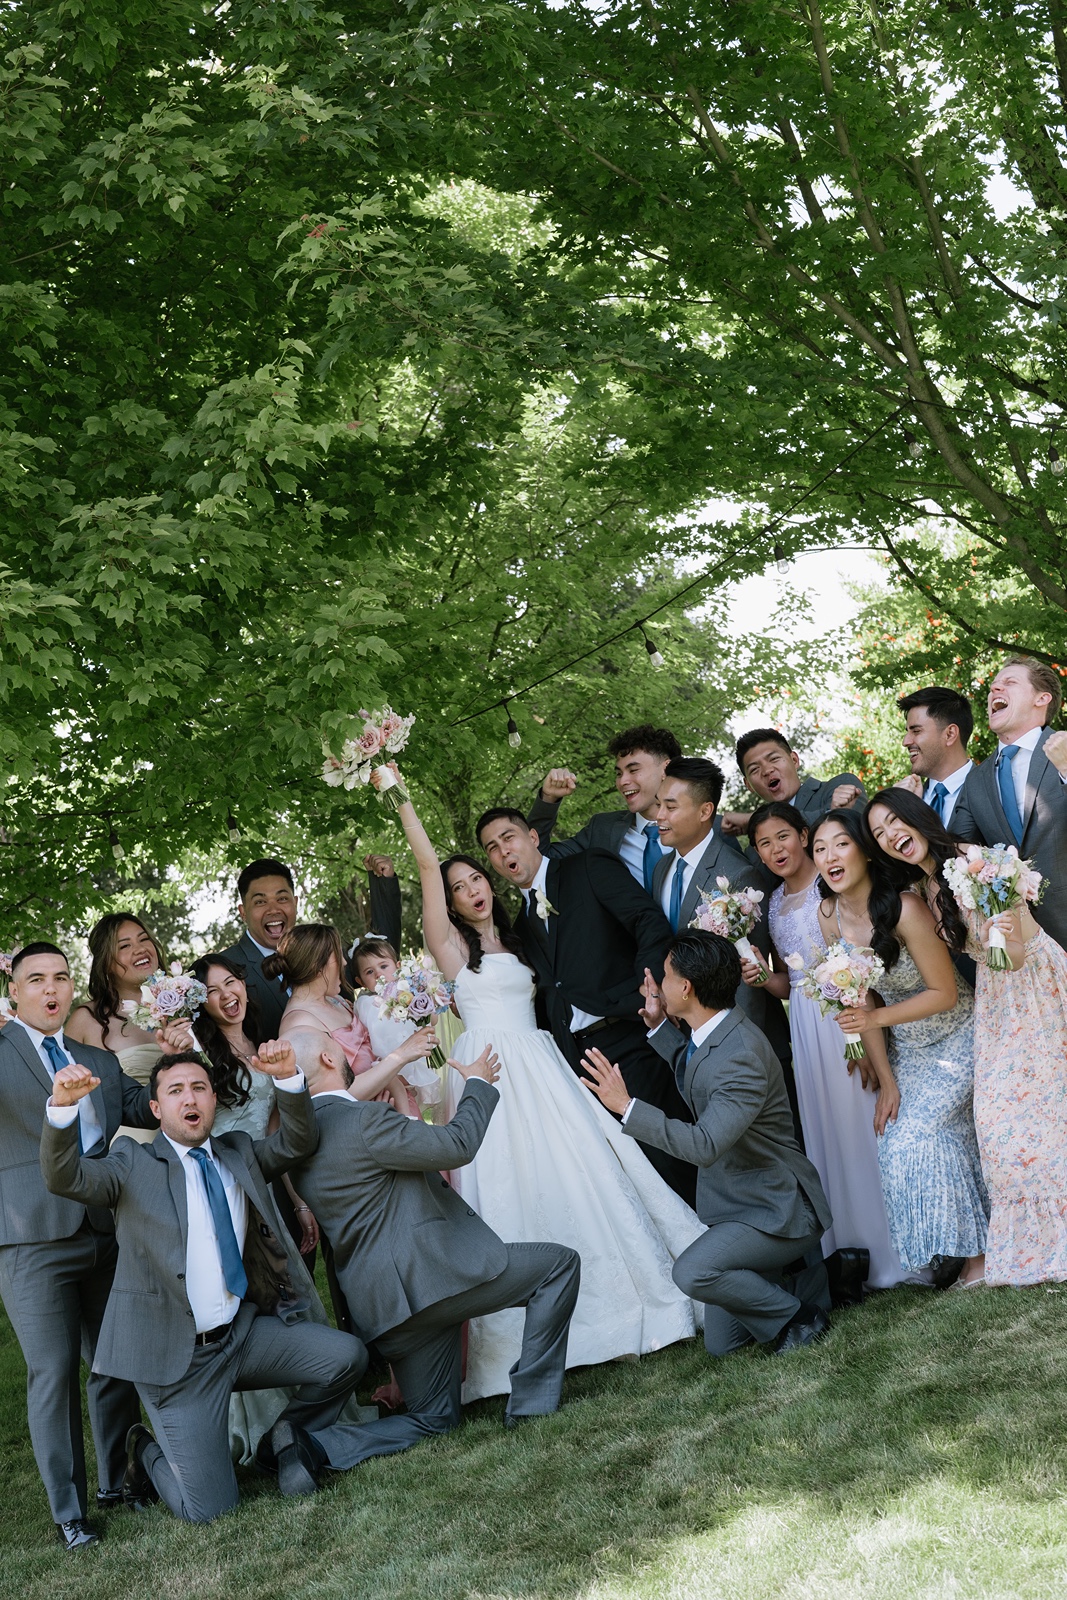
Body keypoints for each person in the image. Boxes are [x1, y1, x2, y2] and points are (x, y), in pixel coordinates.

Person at [386, 783, 704, 1400]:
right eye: (457, 887)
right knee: (514, 1191)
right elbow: (425, 863)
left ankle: (629, 1306)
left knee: (591, 1177)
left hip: (549, 1067)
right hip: (494, 1076)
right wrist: (398, 793)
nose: (472, 888)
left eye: (476, 878)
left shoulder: (527, 930)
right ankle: (527, 1344)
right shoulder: (453, 951)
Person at [39, 1043, 368, 1522]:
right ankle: (145, 1453)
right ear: (156, 1109)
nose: (189, 1098)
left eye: (199, 1088)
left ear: (214, 1099)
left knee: (346, 1358)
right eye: (175, 1091)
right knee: (210, 1510)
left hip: (241, 1337)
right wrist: (63, 1108)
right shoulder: (132, 1163)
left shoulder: (237, 1153)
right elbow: (64, 1176)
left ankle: (284, 1440)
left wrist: (289, 1078)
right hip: (176, 1361)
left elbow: (297, 1142)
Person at [273, 1032, 580, 1480]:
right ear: (327, 1056)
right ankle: (532, 1405)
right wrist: (478, 1084)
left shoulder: (298, 1143)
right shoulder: (364, 1121)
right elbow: (458, 1145)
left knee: (434, 1421)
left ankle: (314, 1445)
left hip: (386, 1308)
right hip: (437, 1281)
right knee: (558, 1266)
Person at [582, 931, 833, 1356]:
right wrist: (661, 1027)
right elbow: (699, 1071)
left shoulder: (740, 1053)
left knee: (693, 1272)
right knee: (723, 1347)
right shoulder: (715, 1031)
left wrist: (626, 1107)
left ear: (686, 987)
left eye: (664, 975)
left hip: (779, 1209)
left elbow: (704, 1145)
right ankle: (815, 1280)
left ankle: (800, 1315)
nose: (657, 984)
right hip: (743, 1206)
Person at [866, 788, 1067, 1287]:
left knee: (1044, 1116)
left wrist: (1006, 937)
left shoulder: (977, 862)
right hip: (997, 1000)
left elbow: (1018, 947)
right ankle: (1033, 1241)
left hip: (1036, 987)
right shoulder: (929, 887)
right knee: (999, 1127)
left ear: (917, 818)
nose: (891, 835)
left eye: (895, 821)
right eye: (878, 833)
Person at [0, 943, 156, 1550]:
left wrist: (175, 1049)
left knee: (115, 1360)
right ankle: (69, 1513)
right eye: (35, 979)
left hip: (105, 1229)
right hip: (30, 1238)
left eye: (60, 977)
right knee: (53, 1372)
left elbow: (145, 1108)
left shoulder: (96, 1057)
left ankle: (117, 1482)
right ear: (14, 990)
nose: (50, 989)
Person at [474, 802, 696, 1202]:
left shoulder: (587, 866)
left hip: (630, 1036)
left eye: (508, 838)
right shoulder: (520, 926)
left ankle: (716, 1246)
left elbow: (648, 921)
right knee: (623, 1169)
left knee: (667, 1156)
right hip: (575, 1061)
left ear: (533, 837)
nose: (503, 851)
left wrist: (649, 989)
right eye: (492, 847)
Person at [809, 810, 988, 1286]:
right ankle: (967, 1249)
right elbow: (859, 996)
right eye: (820, 849)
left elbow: (944, 992)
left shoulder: (906, 907)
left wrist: (876, 1018)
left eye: (840, 845)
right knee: (895, 1140)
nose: (829, 857)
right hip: (908, 1049)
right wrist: (887, 1080)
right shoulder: (828, 915)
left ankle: (977, 1259)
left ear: (866, 851)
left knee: (920, 1136)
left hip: (960, 1033)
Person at [741, 802, 903, 1295]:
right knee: (828, 1132)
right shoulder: (771, 904)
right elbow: (789, 985)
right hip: (805, 1027)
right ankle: (853, 1252)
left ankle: (897, 1244)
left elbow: (857, 968)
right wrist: (762, 977)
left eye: (783, 837)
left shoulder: (830, 888)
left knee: (865, 1118)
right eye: (764, 844)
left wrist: (860, 1039)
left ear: (804, 835)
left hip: (847, 1012)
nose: (775, 850)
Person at [527, 724, 744, 886]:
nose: (623, 782)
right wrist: (548, 799)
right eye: (619, 773)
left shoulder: (715, 829)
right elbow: (538, 858)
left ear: (665, 769)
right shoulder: (602, 830)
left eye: (633, 770)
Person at [953, 655, 1067, 954]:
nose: (994, 690)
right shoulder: (975, 780)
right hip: (1017, 946)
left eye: (1009, 683)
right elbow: (955, 848)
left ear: (1042, 698)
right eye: (992, 687)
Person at [271, 923, 438, 1110]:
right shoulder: (298, 1024)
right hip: (368, 1124)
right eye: (338, 955)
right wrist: (400, 1057)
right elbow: (327, 1100)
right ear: (318, 965)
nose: (344, 963)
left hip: (396, 1109)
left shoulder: (337, 1002)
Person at [65, 913, 193, 1140]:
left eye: (144, 939)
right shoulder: (86, 1020)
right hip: (132, 1146)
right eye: (125, 945)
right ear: (106, 962)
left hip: (192, 1131)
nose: (140, 948)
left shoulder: (185, 1003)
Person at [348, 936, 443, 1116]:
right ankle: (407, 1117)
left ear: (398, 966)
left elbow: (432, 1020)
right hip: (385, 1064)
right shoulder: (366, 1003)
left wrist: (427, 1001)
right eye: (369, 972)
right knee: (399, 1101)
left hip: (412, 1059)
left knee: (410, 1098)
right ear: (360, 982)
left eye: (384, 966)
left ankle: (410, 1117)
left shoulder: (406, 992)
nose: (378, 974)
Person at [721, 729, 865, 840]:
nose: (766, 770)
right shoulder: (757, 839)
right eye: (755, 769)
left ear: (794, 760)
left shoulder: (839, 787)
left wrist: (757, 819)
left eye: (774, 759)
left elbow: (851, 830)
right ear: (749, 785)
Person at [217, 859, 300, 1036]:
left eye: (282, 899)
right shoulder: (224, 968)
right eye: (260, 902)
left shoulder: (322, 953)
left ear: (296, 903)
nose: (273, 909)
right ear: (243, 912)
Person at [895, 687, 974, 826]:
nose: (905, 742)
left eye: (916, 731)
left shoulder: (992, 790)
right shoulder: (908, 799)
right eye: (907, 732)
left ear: (950, 734)